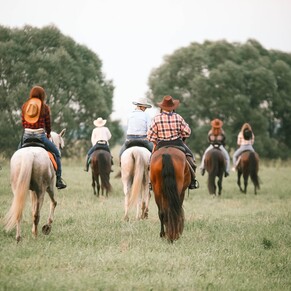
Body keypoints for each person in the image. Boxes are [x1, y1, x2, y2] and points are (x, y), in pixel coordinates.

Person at [147, 95, 198, 190]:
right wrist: (182, 135)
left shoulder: (156, 118)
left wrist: (155, 140)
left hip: (161, 144)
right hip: (177, 143)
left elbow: (150, 135)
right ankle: (192, 181)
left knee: (150, 163)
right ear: (173, 107)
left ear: (162, 108)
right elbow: (188, 131)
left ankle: (151, 182)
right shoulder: (178, 117)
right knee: (191, 159)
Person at [21, 85, 67, 189]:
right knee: (57, 153)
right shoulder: (44, 107)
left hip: (26, 135)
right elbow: (48, 124)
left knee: (16, 154)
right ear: (42, 95)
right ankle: (59, 180)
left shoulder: (25, 106)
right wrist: (49, 133)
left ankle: (15, 178)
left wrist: (28, 128)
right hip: (40, 136)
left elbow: (23, 122)